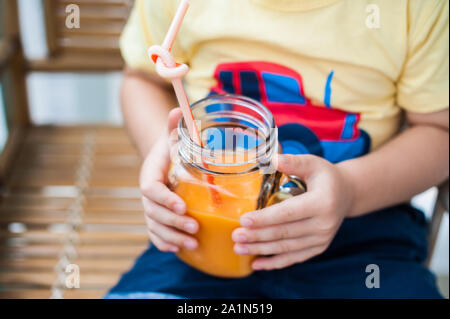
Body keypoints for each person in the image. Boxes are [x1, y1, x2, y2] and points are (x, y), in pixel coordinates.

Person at [106, 0, 449, 298]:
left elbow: (439, 129)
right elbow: (143, 79)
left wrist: (350, 190)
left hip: (363, 230)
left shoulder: (415, 8)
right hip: (197, 234)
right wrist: (166, 154)